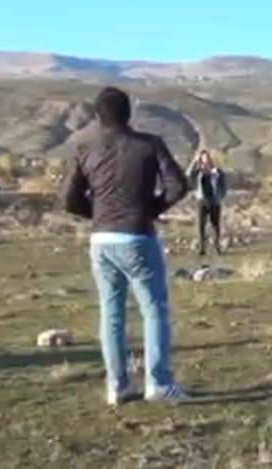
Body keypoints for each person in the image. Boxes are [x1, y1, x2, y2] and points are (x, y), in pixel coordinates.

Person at [59, 86, 192, 405]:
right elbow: (179, 186)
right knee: (153, 310)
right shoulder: (149, 145)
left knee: (111, 313)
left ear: (97, 115)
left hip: (101, 241)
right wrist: (150, 210)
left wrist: (98, 215)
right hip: (137, 237)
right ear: (128, 113)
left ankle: (117, 386)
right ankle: (157, 383)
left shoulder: (84, 148)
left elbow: (68, 199)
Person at [185, 149, 228, 256]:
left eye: (207, 157)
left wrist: (220, 197)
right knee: (201, 225)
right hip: (202, 200)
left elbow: (224, 186)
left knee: (215, 225)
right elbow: (188, 174)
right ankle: (202, 248)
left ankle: (217, 246)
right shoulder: (199, 171)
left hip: (214, 200)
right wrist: (194, 162)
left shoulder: (217, 172)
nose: (206, 159)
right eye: (203, 157)